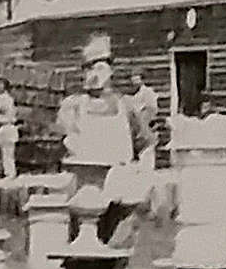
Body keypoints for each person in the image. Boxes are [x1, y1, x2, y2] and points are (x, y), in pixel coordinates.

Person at [55, 37, 154, 193]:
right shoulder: (72, 106)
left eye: (100, 68)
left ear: (110, 71)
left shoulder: (126, 105)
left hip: (120, 183)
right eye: (89, 69)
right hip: (84, 187)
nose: (94, 75)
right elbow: (63, 145)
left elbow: (146, 144)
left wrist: (143, 173)